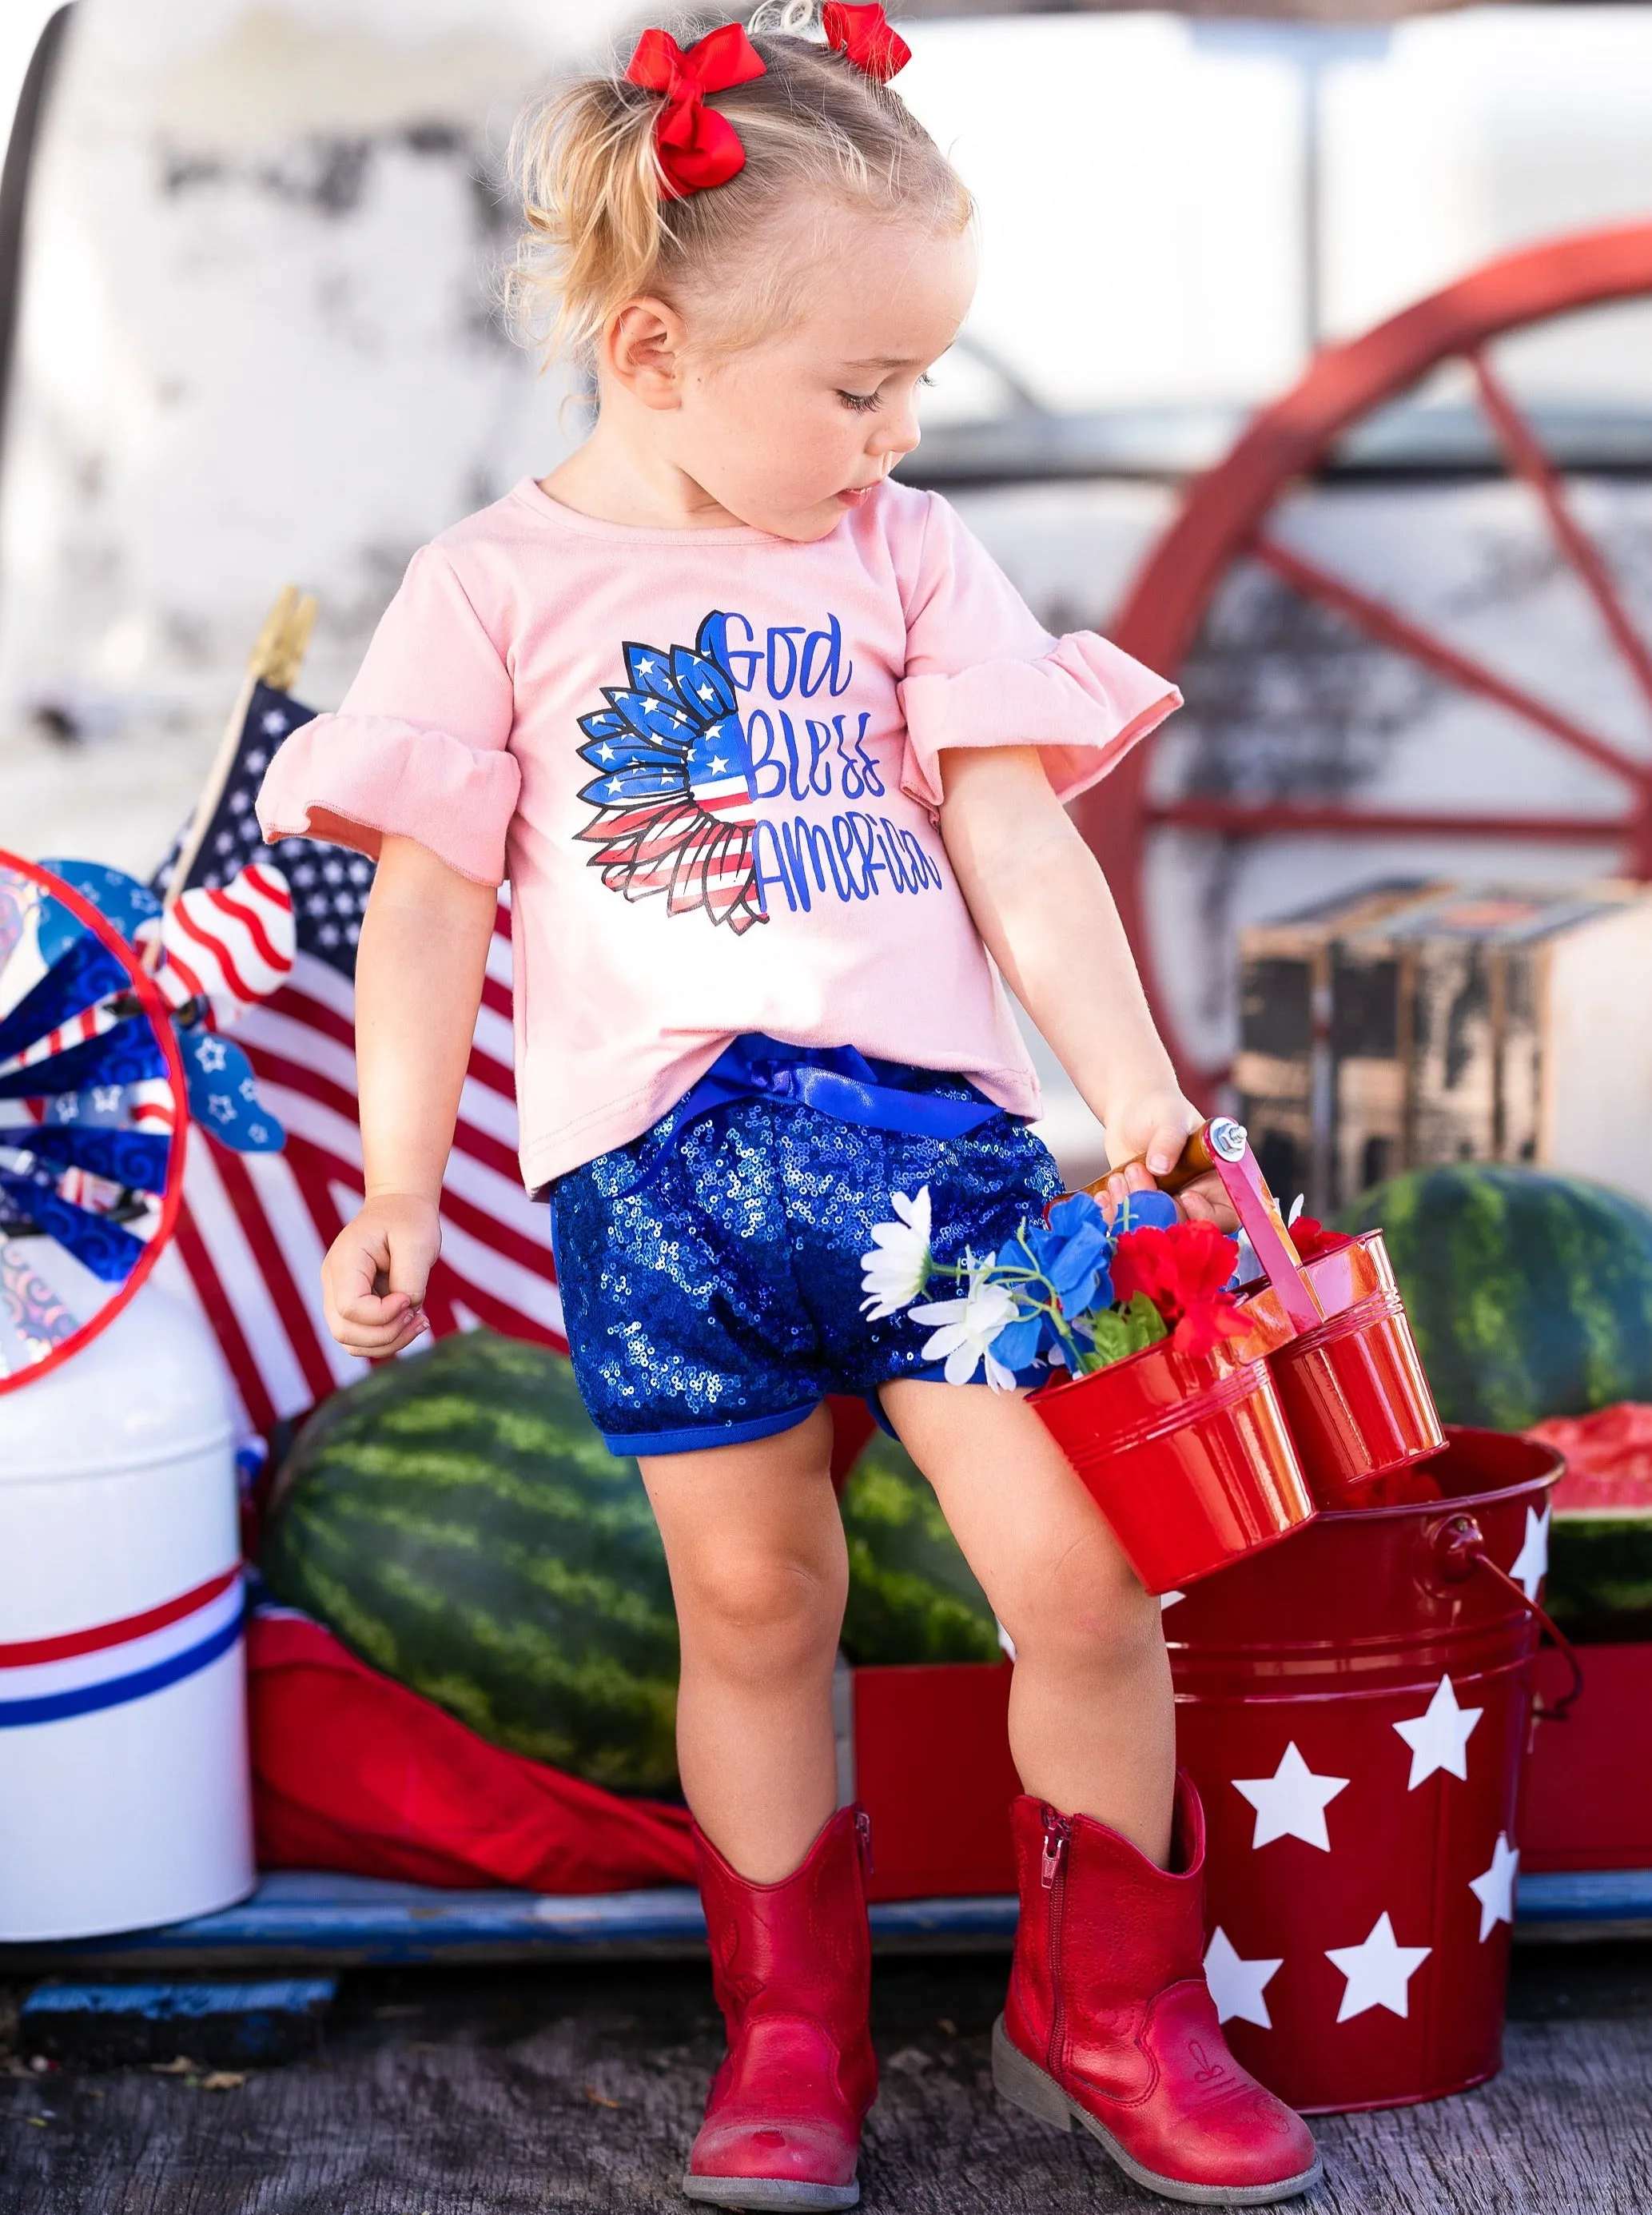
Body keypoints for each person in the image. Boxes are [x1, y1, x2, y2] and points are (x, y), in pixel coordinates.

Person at [257, 6, 1321, 2206]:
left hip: (931, 1169)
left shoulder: (906, 557)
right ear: (652, 353)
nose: (899, 432)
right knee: (751, 1609)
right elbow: (430, 918)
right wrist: (384, 1179)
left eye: (917, 382)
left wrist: (1128, 1090)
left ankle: (1111, 2003)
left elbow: (1020, 843)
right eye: (859, 389)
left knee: (1088, 1570)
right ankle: (790, 2032)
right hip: (655, 1191)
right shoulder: (492, 588)